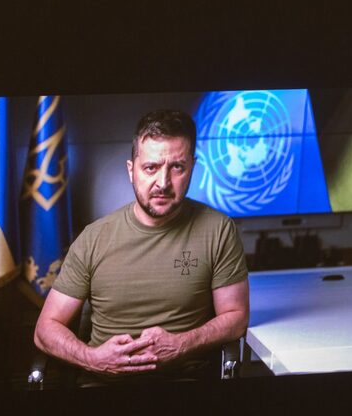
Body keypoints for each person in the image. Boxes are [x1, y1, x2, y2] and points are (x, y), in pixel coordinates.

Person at [34, 109, 249, 382]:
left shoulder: (218, 230)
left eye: (177, 167)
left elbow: (236, 317)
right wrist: (93, 358)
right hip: (102, 384)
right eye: (151, 168)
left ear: (192, 167)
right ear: (131, 170)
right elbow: (45, 329)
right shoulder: (94, 238)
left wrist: (181, 344)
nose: (163, 183)